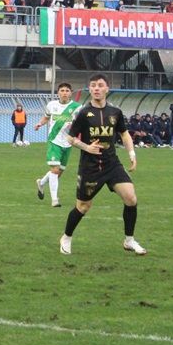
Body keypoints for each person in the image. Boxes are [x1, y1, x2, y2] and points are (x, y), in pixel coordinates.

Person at [59, 74, 146, 256]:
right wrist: (86, 147)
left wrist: (132, 154)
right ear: (90, 89)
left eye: (100, 85)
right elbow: (70, 137)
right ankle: (66, 237)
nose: (96, 88)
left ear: (107, 89)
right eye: (93, 85)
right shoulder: (83, 113)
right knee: (83, 207)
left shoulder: (115, 112)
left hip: (112, 164)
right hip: (90, 167)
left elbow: (124, 134)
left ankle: (129, 240)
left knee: (131, 198)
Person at [33, 83, 81, 208]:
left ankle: (41, 183)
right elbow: (46, 117)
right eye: (62, 90)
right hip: (54, 141)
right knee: (55, 170)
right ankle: (55, 200)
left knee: (58, 172)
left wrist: (75, 127)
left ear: (71, 93)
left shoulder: (77, 107)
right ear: (58, 92)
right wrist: (39, 124)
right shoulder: (51, 105)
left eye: (67, 90)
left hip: (68, 142)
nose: (64, 93)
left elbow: (81, 123)